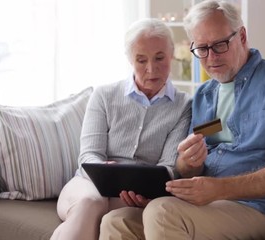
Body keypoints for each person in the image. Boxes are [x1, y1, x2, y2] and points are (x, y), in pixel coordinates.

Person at [99, 1, 265, 239]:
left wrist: (218, 189)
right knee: (116, 221)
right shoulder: (204, 95)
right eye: (202, 49)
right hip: (205, 205)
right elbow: (190, 168)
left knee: (162, 213)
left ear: (242, 36)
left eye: (219, 45)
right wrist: (188, 163)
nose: (211, 57)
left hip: (260, 209)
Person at [50, 18, 192, 240]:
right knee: (90, 202)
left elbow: (169, 167)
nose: (151, 69)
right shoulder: (104, 95)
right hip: (87, 185)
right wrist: (105, 174)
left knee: (108, 213)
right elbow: (89, 155)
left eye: (160, 58)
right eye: (141, 60)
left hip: (138, 195)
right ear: (130, 59)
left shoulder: (184, 105)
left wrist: (145, 191)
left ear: (172, 55)